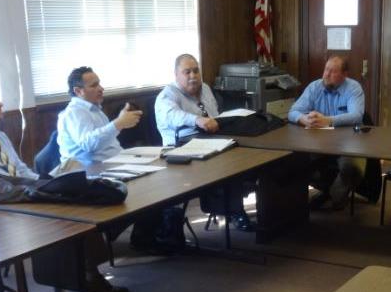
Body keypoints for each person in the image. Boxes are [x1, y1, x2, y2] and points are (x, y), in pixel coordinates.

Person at [0, 79, 127, 292]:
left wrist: (44, 180)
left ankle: (88, 271)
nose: (1, 104)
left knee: (75, 200)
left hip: (12, 190)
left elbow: (19, 169)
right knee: (65, 206)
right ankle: (84, 276)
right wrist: (44, 187)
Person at [58, 67, 186, 252]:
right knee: (148, 187)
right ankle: (135, 236)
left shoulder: (95, 109)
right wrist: (117, 123)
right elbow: (88, 144)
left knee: (158, 175)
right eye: (94, 85)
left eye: (99, 83)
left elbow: (106, 141)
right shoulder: (74, 113)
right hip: (92, 172)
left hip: (112, 163)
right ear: (79, 91)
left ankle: (141, 232)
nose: (101, 88)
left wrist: (118, 124)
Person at [155, 54, 253, 231]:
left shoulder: (205, 88)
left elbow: (214, 116)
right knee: (227, 165)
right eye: (187, 72)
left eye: (196, 70)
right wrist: (197, 120)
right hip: (180, 151)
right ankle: (234, 211)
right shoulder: (167, 95)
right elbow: (171, 115)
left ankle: (233, 208)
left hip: (211, 142)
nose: (193, 76)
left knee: (242, 160)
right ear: (176, 74)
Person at [287, 55, 366, 210]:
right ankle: (318, 194)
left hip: (348, 141)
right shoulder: (315, 87)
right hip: (318, 142)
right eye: (326, 70)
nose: (326, 75)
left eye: (332, 72)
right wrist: (303, 119)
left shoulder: (353, 88)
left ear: (344, 75)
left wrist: (328, 120)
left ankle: (335, 196)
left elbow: (357, 115)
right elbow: (292, 112)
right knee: (296, 160)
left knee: (353, 166)